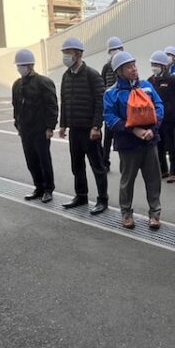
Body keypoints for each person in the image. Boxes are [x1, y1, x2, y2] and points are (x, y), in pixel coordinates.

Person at [103, 51, 164, 229]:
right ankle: (126, 214)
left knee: (153, 179)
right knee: (127, 181)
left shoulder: (146, 86)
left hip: (149, 141)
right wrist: (134, 130)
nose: (134, 69)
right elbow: (110, 118)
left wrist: (152, 130)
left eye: (134, 65)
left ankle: (155, 214)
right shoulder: (111, 93)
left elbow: (159, 106)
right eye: (129, 67)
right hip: (128, 145)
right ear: (119, 71)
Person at [59, 37, 109, 215]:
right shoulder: (66, 76)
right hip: (74, 130)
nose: (65, 56)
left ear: (78, 54)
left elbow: (100, 102)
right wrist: (63, 125)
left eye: (68, 52)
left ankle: (102, 200)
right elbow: (64, 101)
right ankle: (81, 196)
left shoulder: (92, 75)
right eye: (64, 53)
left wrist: (96, 126)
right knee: (77, 165)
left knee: (97, 167)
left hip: (89, 130)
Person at [12, 49, 58, 203]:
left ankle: (48, 189)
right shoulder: (17, 84)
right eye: (18, 65)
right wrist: (18, 124)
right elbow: (16, 106)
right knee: (31, 161)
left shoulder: (43, 82)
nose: (20, 68)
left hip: (40, 130)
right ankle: (38, 187)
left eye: (22, 65)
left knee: (44, 161)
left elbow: (52, 106)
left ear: (31, 65)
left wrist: (50, 127)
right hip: (25, 131)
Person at [148, 51, 175, 183]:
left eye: (156, 64)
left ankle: (174, 171)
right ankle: (163, 170)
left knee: (171, 145)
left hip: (170, 119)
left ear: (163, 66)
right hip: (156, 118)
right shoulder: (150, 81)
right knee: (159, 145)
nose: (154, 67)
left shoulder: (172, 80)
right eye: (152, 64)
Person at [101, 36, 123, 172]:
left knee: (122, 136)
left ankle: (125, 164)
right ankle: (105, 162)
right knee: (107, 138)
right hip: (110, 105)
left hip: (122, 106)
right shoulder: (106, 67)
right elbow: (102, 84)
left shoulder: (124, 64)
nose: (115, 52)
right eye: (112, 50)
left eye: (117, 49)